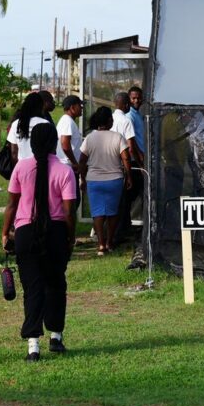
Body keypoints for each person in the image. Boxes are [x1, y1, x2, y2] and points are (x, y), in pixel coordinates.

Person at [1, 123, 77, 362]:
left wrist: (5, 233)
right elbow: (68, 211)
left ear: (32, 144)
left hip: (25, 233)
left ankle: (33, 346)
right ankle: (56, 337)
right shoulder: (65, 171)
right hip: (56, 232)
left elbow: (12, 205)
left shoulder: (21, 168)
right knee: (56, 284)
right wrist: (70, 237)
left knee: (32, 288)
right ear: (55, 143)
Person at [79, 107, 132, 255]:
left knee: (97, 213)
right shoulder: (118, 137)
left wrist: (82, 178)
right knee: (112, 213)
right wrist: (129, 176)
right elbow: (126, 158)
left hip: (94, 181)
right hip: (114, 180)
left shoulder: (90, 138)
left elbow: (82, 161)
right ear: (109, 120)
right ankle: (109, 242)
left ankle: (101, 244)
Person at [111, 91, 141, 245]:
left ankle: (121, 230)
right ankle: (120, 232)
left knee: (118, 200)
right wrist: (139, 162)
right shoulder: (126, 120)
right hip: (126, 163)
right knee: (126, 199)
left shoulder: (111, 119)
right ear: (126, 104)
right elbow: (130, 147)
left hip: (111, 162)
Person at [123, 86, 147, 269]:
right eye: (133, 98)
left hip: (139, 159)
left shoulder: (138, 115)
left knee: (138, 194)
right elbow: (131, 144)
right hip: (134, 161)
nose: (136, 101)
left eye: (138, 98)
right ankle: (128, 228)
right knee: (132, 196)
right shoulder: (129, 117)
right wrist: (140, 160)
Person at [7, 92, 51, 165]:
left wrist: (18, 167)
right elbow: (50, 150)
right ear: (41, 107)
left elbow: (14, 152)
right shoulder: (46, 123)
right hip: (41, 167)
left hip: (22, 166)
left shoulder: (16, 124)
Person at [56, 95, 84, 173]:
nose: (81, 108)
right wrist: (74, 162)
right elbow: (65, 144)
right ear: (72, 108)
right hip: (68, 166)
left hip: (68, 165)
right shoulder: (67, 121)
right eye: (79, 105)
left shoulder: (67, 120)